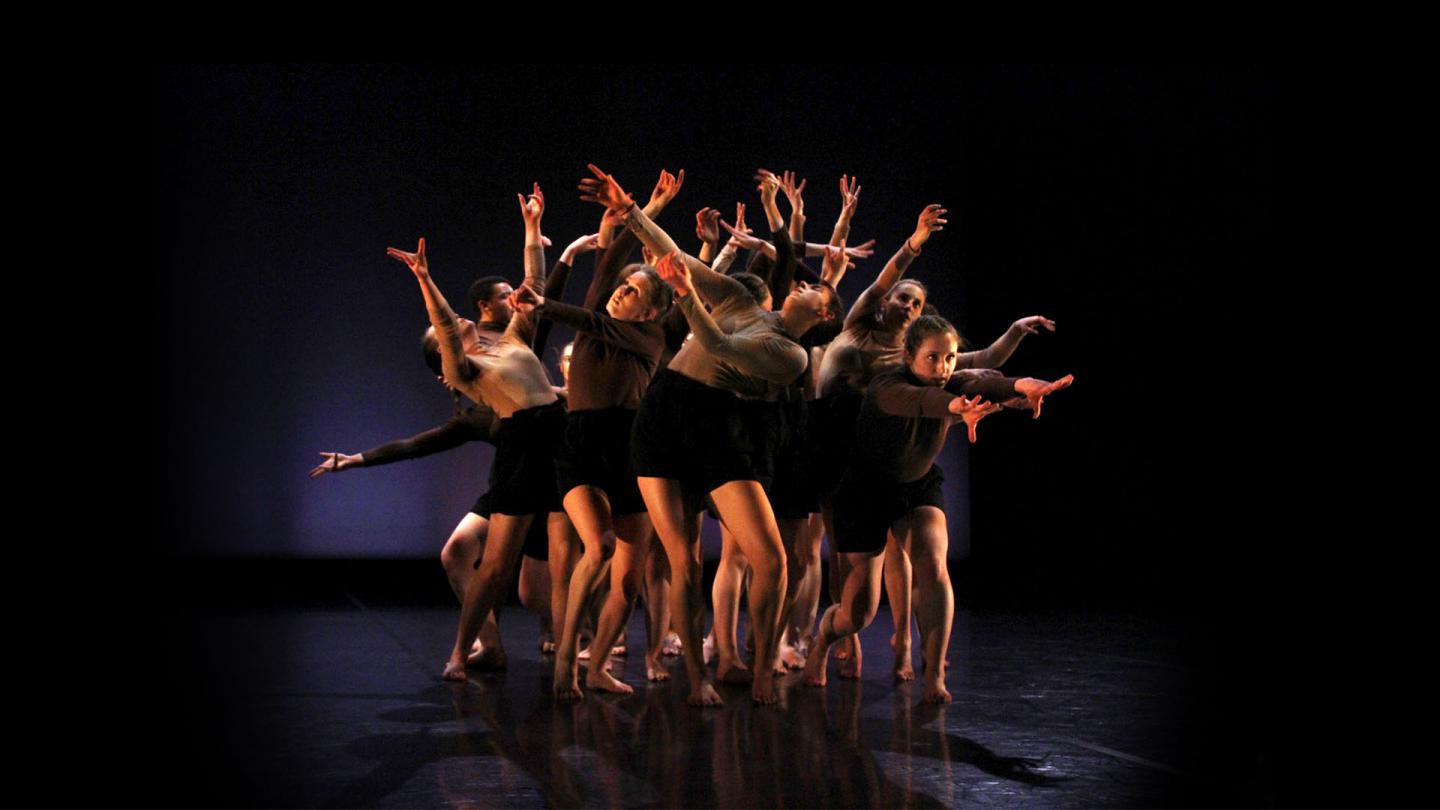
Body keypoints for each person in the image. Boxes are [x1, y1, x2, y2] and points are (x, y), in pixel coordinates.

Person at [580, 163, 842, 705]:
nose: (805, 285)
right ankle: (700, 678)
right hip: (666, 412)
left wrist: (685, 295)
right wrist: (629, 210)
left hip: (718, 423)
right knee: (682, 559)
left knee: (772, 560)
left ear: (821, 317)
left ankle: (762, 665)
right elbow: (678, 259)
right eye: (806, 281)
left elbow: (720, 346)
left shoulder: (791, 356)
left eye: (816, 290)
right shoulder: (743, 301)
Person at [803, 314, 1073, 702]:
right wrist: (956, 407)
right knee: (858, 612)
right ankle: (823, 640)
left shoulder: (951, 382)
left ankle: (934, 676)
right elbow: (922, 401)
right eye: (933, 358)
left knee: (933, 565)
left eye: (949, 358)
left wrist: (1020, 385)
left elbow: (984, 381)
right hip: (865, 491)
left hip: (917, 485)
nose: (943, 368)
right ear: (910, 355)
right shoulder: (887, 385)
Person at [387, 184, 570, 681]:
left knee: (565, 559)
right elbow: (445, 325)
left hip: (556, 437)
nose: (463, 321)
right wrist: (425, 279)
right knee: (493, 569)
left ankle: (576, 647)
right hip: (522, 445)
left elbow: (535, 282)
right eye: (451, 326)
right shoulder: (466, 369)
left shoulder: (510, 339)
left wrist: (532, 228)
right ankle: (461, 652)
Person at [514, 169, 682, 699]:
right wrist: (636, 210)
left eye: (631, 292)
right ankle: (568, 660)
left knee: (630, 580)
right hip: (583, 443)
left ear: (651, 309)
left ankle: (597, 667)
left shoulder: (650, 335)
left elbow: (605, 294)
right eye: (620, 289)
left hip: (631, 447)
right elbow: (607, 263)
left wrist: (638, 214)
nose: (618, 295)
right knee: (601, 544)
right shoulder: (596, 318)